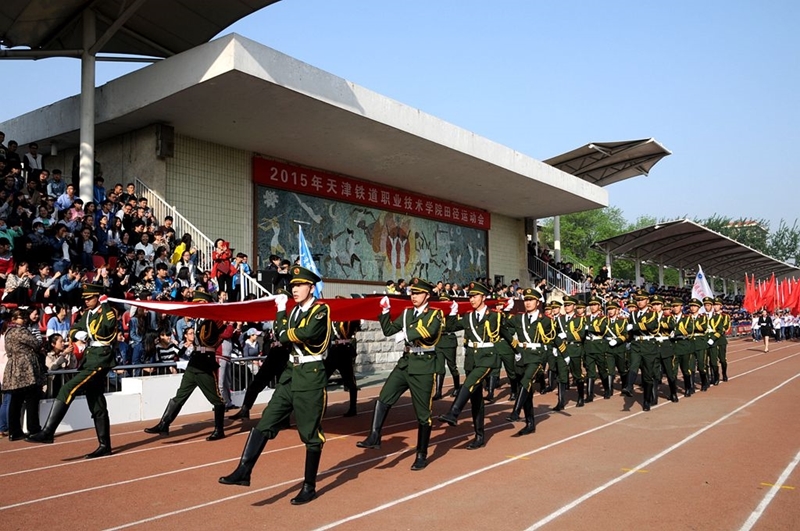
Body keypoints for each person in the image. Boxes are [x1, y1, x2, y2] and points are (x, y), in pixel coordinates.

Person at [219, 266, 331, 505]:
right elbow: (281, 334)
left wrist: (284, 328)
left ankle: (309, 486)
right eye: (292, 286)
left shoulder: (321, 310)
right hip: (290, 374)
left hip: (311, 377)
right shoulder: (292, 313)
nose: (295, 290)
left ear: (311, 287)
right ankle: (244, 470)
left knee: (310, 435)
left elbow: (296, 334)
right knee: (266, 421)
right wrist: (282, 313)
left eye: (299, 285)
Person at [356, 277, 442, 468]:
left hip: (423, 366)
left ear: (427, 295)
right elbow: (388, 330)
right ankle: (375, 435)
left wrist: (405, 334)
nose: (414, 296)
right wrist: (385, 312)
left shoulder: (435, 314)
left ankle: (421, 454)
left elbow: (429, 331)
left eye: (418, 293)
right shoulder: (406, 313)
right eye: (412, 293)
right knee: (384, 397)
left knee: (423, 414)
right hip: (405, 363)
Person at [28, 284, 118, 458]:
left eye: (90, 298)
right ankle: (104, 445)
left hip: (100, 358)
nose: (86, 300)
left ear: (98, 297)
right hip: (90, 358)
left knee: (67, 388)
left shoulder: (107, 311)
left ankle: (48, 432)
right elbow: (75, 328)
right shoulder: (87, 314)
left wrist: (105, 304)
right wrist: (78, 335)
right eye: (85, 298)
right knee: (96, 401)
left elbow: (108, 326)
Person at [437, 281, 516, 449]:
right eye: (470, 296)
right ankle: (479, 435)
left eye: (475, 296)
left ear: (483, 297)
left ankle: (454, 412)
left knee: (469, 383)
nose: (472, 299)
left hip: (487, 357)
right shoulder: (467, 317)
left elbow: (506, 332)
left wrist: (517, 351)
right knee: (476, 398)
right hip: (471, 359)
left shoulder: (494, 316)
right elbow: (450, 327)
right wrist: (451, 313)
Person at [144, 291, 227, 440]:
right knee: (180, 395)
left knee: (216, 399)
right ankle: (164, 424)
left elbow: (218, 335)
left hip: (205, 361)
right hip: (194, 360)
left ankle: (219, 429)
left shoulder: (212, 319)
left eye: (197, 303)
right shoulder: (197, 321)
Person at [506, 288, 555, 436]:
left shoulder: (545, 320)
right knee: (526, 390)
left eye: (531, 300)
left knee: (526, 381)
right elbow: (503, 327)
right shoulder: (518, 318)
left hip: (537, 356)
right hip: (521, 355)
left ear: (538, 302)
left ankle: (515, 411)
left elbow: (554, 336)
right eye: (526, 300)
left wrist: (561, 353)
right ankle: (530, 423)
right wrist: (505, 311)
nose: (528, 303)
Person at [228, 325, 290, 421]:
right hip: (274, 353)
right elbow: (263, 326)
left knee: (283, 387)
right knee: (256, 383)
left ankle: (284, 418)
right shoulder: (273, 322)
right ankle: (245, 409)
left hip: (285, 354)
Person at [3, 309, 44, 441]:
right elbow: (36, 343)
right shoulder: (20, 331)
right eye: (22, 317)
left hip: (14, 366)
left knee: (16, 400)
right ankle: (34, 429)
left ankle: (14, 431)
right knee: (32, 397)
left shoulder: (8, 332)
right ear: (14, 318)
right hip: (25, 366)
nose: (25, 319)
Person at [621, 291, 658, 407]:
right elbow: (630, 331)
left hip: (648, 344)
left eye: (642, 299)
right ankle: (629, 386)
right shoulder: (632, 314)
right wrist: (627, 340)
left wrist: (635, 326)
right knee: (633, 365)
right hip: (636, 343)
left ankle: (647, 400)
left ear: (647, 300)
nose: (640, 302)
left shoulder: (652, 313)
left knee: (647, 375)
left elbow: (651, 326)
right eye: (638, 300)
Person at [552, 296, 588, 410]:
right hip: (562, 350)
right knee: (562, 376)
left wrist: (567, 335)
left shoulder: (580, 319)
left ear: (574, 306)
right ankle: (561, 402)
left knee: (577, 374)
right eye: (565, 305)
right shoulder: (559, 319)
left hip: (574, 350)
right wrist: (555, 347)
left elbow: (581, 335)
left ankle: (581, 397)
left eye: (569, 305)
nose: (567, 307)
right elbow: (554, 334)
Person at [325, 306, 361, 417]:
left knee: (350, 382)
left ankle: (353, 408)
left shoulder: (349, 319)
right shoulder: (331, 320)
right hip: (334, 351)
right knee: (321, 378)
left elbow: (357, 325)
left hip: (345, 352)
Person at [433, 292, 460, 400]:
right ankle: (438, 392)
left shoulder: (452, 314)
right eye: (441, 301)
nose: (443, 303)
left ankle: (457, 388)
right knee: (439, 368)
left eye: (445, 301)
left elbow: (451, 327)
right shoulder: (437, 313)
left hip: (449, 341)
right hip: (439, 341)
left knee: (452, 366)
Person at [711, 297, 731, 382]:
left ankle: (724, 373)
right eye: (714, 305)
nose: (715, 307)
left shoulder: (725, 316)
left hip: (721, 339)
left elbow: (725, 327)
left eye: (717, 305)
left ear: (721, 306)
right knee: (713, 360)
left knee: (722, 359)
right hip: (712, 339)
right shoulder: (710, 316)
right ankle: (716, 376)